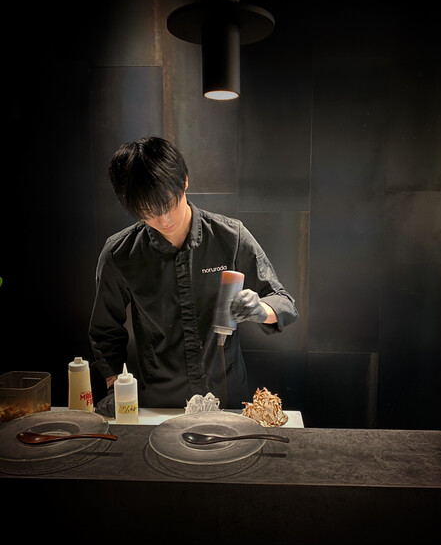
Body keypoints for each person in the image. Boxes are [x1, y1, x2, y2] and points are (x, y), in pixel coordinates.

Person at [89, 136, 298, 414]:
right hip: (160, 403)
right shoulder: (120, 253)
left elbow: (284, 302)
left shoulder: (230, 236)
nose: (164, 220)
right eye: (148, 213)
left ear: (184, 180)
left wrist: (261, 309)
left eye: (168, 204)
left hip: (227, 399)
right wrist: (117, 387)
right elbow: (105, 331)